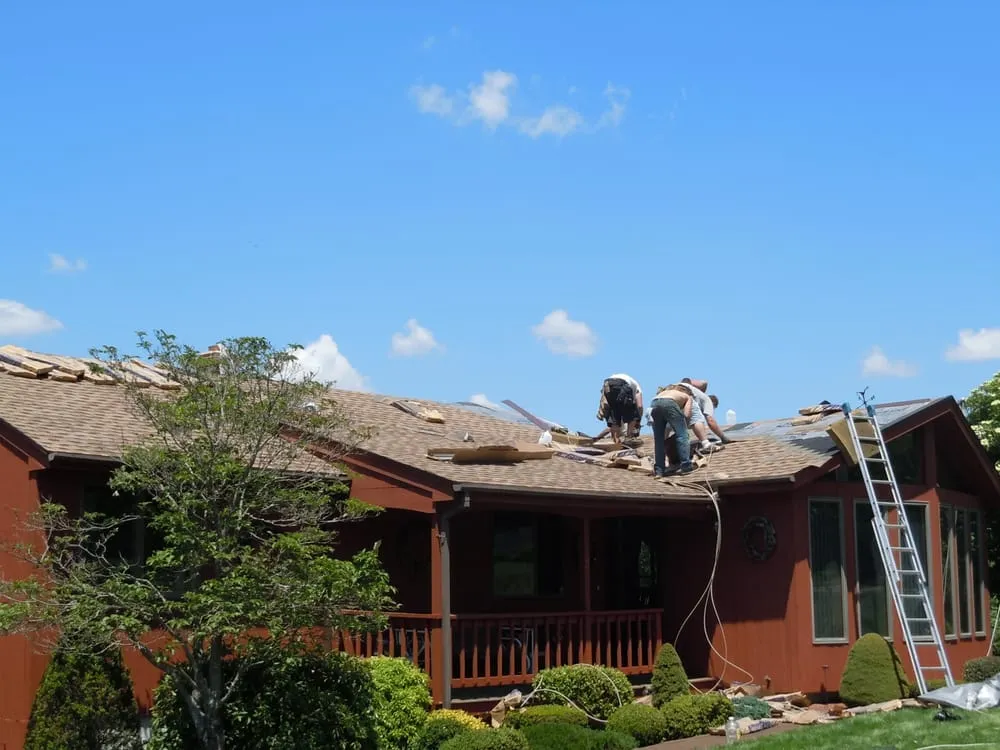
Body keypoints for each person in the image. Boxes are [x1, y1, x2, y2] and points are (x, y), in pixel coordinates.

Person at [649, 384, 693, 477]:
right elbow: (687, 414)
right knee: (682, 435)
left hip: (654, 403)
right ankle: (686, 465)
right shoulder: (687, 396)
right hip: (669, 403)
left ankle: (659, 470)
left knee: (659, 440)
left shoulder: (665, 392)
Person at [679, 378, 732, 453]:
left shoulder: (697, 396)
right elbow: (710, 420)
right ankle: (706, 445)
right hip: (683, 393)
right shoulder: (707, 400)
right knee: (697, 420)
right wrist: (723, 437)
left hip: (669, 393)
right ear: (713, 404)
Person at [596, 373, 643, 443]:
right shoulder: (638, 388)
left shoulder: (631, 382)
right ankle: (629, 438)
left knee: (615, 415)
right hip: (621, 384)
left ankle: (615, 441)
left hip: (607, 385)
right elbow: (639, 406)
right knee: (634, 416)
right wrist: (638, 420)